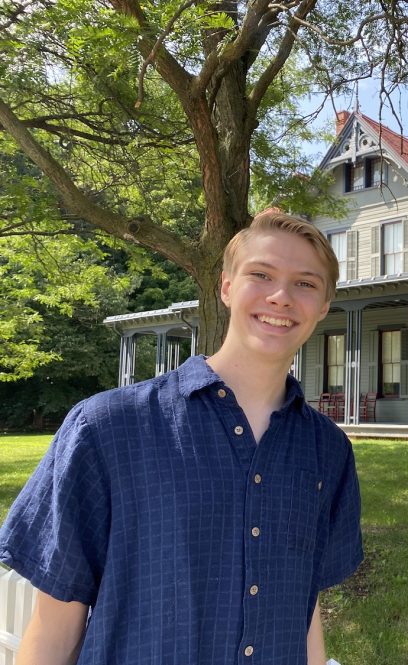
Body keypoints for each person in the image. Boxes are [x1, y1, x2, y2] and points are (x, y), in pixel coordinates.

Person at [0, 210, 363, 664]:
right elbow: (54, 627)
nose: (280, 296)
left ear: (325, 306)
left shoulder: (328, 452)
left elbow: (304, 609)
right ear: (226, 286)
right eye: (261, 274)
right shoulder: (108, 428)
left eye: (305, 284)